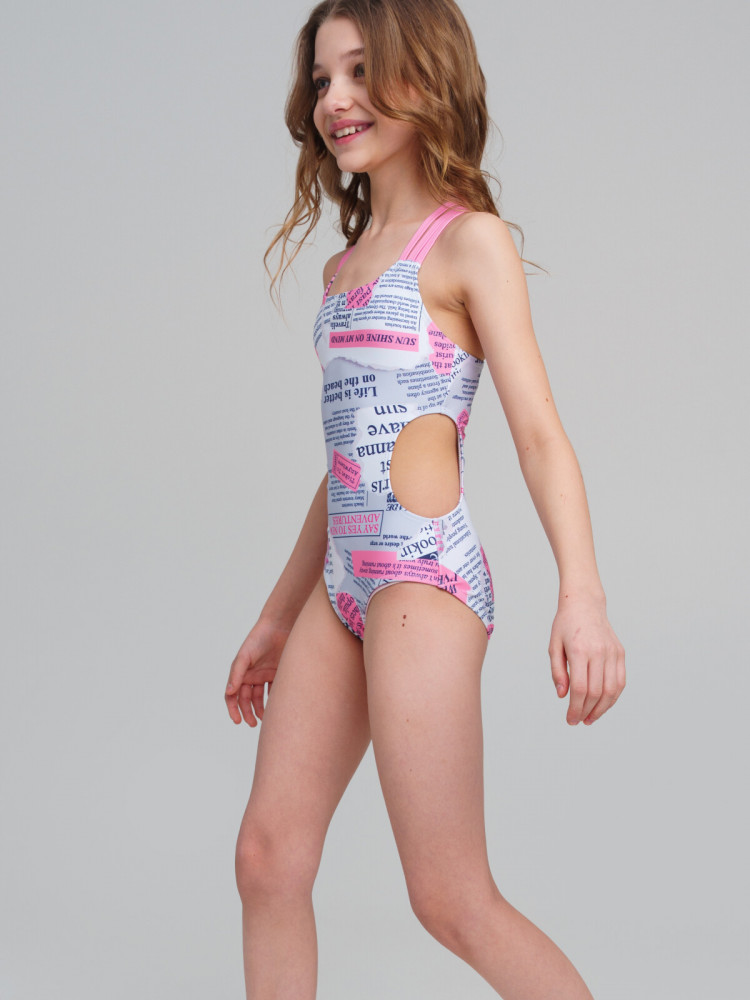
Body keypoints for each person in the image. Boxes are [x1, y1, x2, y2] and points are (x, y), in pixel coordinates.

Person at [225, 1, 626, 997]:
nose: (336, 99)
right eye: (323, 79)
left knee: (449, 896)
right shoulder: (343, 268)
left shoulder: (467, 244)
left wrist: (582, 595)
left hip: (421, 579)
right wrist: (277, 615)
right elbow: (346, 462)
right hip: (342, 585)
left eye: (361, 70)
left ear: (424, 72)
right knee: (267, 860)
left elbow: (540, 435)